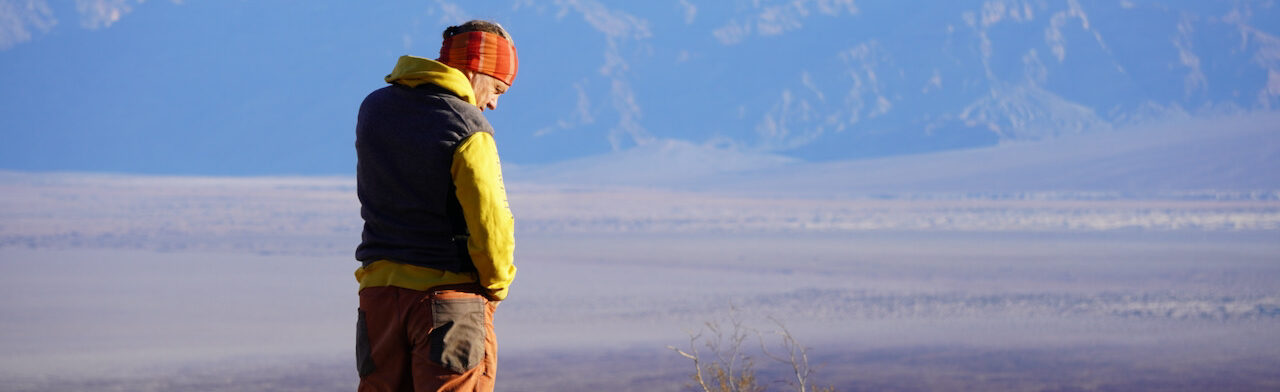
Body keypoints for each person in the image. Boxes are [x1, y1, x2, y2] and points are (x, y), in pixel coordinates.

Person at [353, 20, 518, 392]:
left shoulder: (375, 108)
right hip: (448, 304)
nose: (493, 103)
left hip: (378, 299)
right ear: (476, 68)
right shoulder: (467, 125)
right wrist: (497, 284)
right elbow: (490, 222)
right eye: (497, 88)